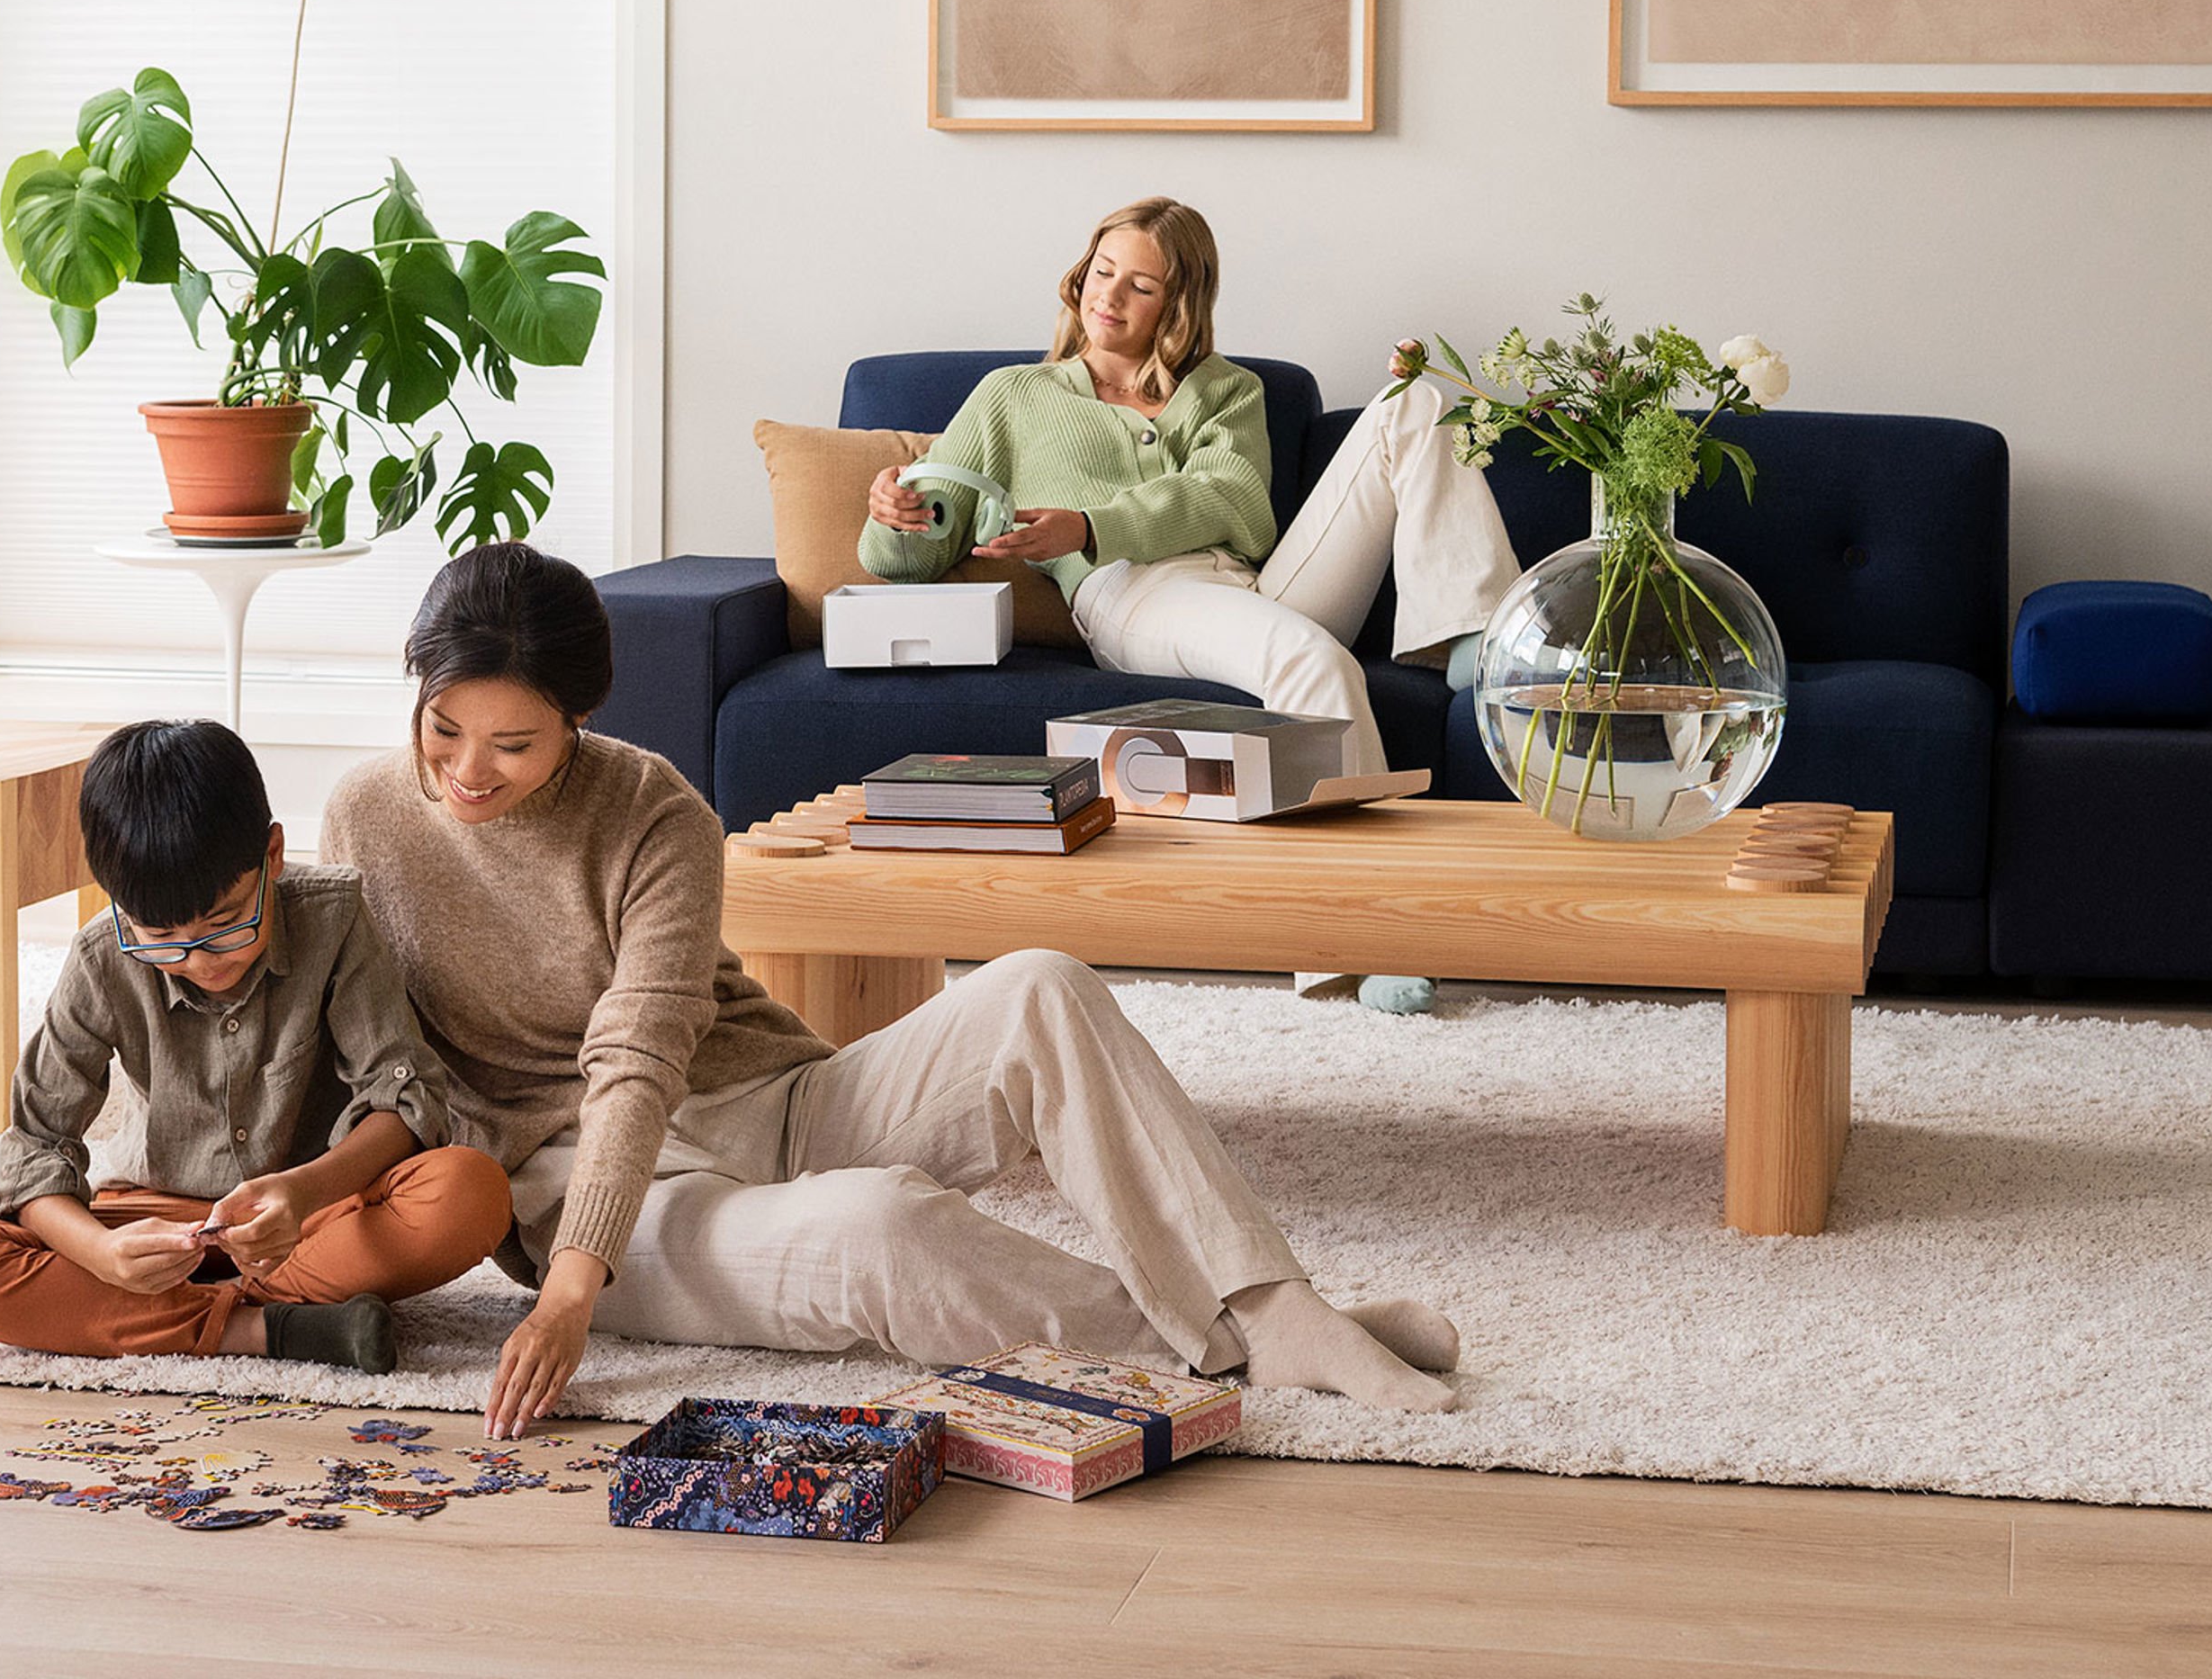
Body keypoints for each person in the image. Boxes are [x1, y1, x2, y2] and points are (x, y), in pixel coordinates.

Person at [321, 543, 1462, 1440]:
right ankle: (1229, 1342)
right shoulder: (364, 816)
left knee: (1039, 987)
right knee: (882, 1229)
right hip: (587, 1206)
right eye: (444, 729)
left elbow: (642, 1049)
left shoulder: (651, 806)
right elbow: (346, 1036)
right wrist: (569, 1279)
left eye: (513, 743)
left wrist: (563, 1298)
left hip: (768, 1101)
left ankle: (1276, 1309)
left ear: (579, 718)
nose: (469, 771)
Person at [859, 194, 1521, 1010]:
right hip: (1133, 593)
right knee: (1312, 661)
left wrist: (1092, 517)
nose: (1110, 296)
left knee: (1414, 400)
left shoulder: (1226, 389)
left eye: (1140, 285)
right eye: (1103, 272)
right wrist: (894, 514)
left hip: (1254, 584)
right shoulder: (1014, 395)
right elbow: (920, 547)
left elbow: (1241, 505)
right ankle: (1359, 944)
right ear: (1079, 276)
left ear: (1178, 304)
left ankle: (1465, 630)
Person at [0, 719, 511, 1373]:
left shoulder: (333, 918)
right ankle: (263, 1328)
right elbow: (34, 1149)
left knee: (468, 1191)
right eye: (162, 937)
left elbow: (404, 1098)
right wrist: (100, 1255)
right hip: (155, 1220)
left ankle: (177, 1318)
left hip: (314, 1215)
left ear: (273, 856)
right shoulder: (101, 956)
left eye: (227, 923)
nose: (199, 959)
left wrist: (304, 1193)